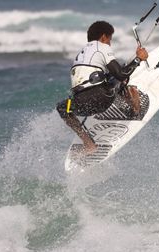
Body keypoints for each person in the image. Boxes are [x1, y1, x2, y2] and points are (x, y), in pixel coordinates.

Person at [56, 21, 148, 154]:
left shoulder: (81, 53)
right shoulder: (102, 47)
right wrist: (138, 59)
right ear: (104, 37)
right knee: (120, 74)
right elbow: (121, 75)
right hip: (102, 98)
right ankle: (134, 106)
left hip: (82, 104)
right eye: (110, 39)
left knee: (63, 108)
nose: (110, 43)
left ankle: (88, 144)